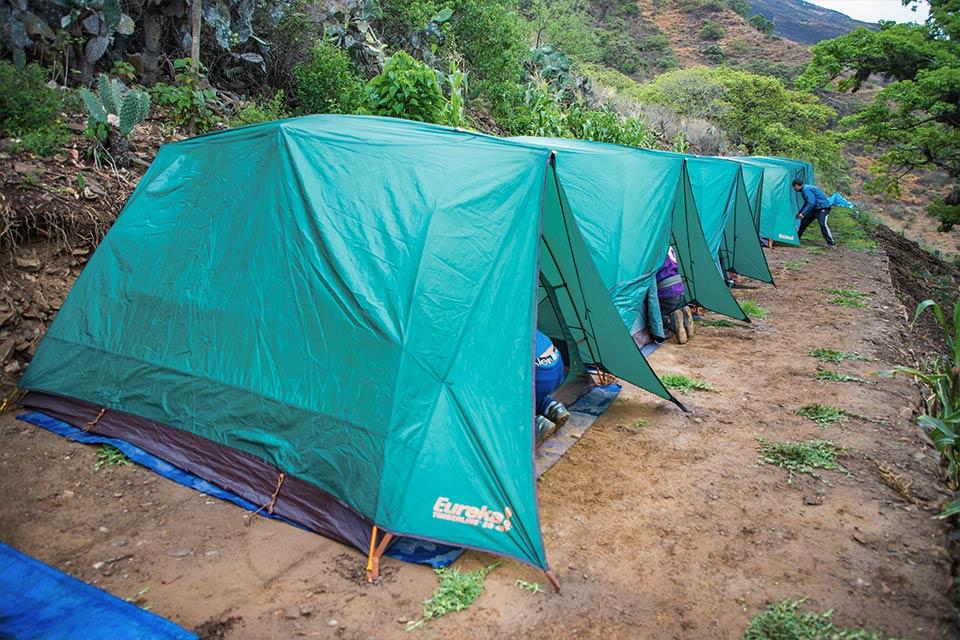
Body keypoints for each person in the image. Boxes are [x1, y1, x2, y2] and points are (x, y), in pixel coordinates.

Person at [534, 330, 571, 442]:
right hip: (557, 364)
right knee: (532, 393)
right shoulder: (520, 317)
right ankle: (552, 407)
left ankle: (534, 424)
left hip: (538, 374)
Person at [656, 247, 693, 344]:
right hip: (680, 289)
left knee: (658, 313)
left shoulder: (653, 247)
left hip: (666, 293)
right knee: (675, 306)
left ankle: (674, 323)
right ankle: (684, 315)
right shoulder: (669, 246)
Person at [793, 178, 836, 247]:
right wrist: (800, 212)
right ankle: (796, 239)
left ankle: (831, 243)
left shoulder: (806, 189)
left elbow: (811, 203)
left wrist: (803, 213)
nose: (794, 189)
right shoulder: (805, 189)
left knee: (822, 224)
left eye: (794, 187)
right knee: (804, 222)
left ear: (796, 185)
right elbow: (807, 203)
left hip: (823, 208)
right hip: (815, 209)